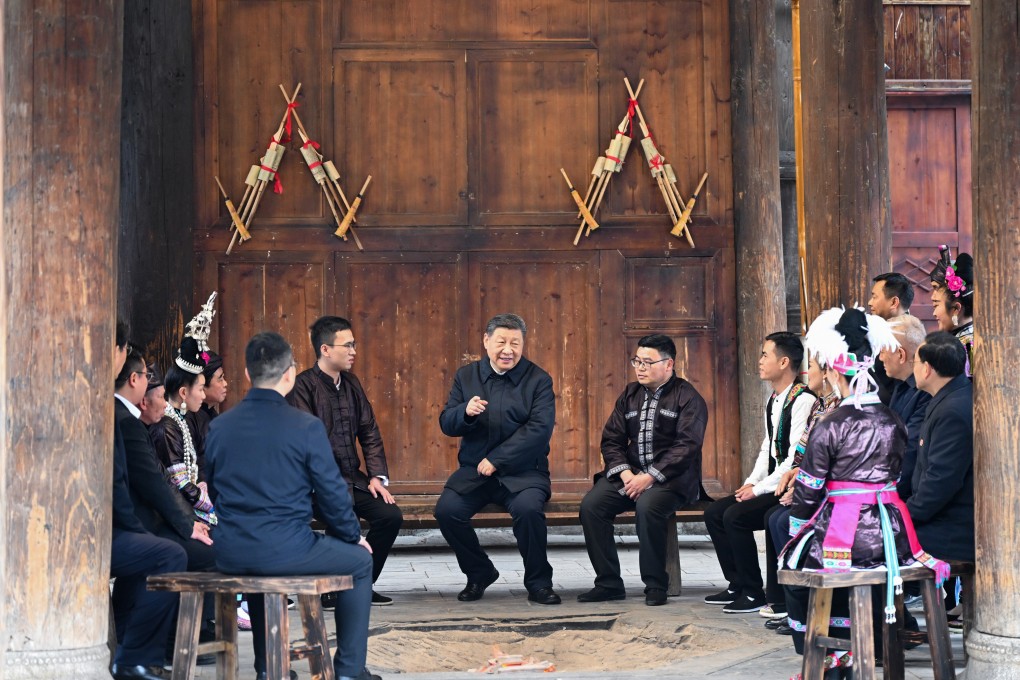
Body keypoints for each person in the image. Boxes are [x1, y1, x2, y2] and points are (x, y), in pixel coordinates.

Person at [781, 307, 949, 678]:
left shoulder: (831, 424)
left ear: (831, 370)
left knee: (796, 561)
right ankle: (860, 650)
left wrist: (797, 530)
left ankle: (833, 658)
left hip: (847, 534)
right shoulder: (892, 419)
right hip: (893, 532)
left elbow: (808, 493)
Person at [205, 332, 380, 680]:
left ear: (247, 372)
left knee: (260, 564)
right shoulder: (305, 426)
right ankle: (348, 671)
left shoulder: (219, 426)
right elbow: (332, 493)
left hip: (230, 550)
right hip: (287, 548)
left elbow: (214, 490)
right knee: (360, 561)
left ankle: (268, 669)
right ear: (290, 373)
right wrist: (351, 535)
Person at [434, 313, 560, 605]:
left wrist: (498, 459)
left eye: (515, 343)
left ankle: (539, 583)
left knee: (529, 511)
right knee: (447, 511)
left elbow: (539, 430)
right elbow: (446, 423)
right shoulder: (466, 376)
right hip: (475, 471)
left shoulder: (538, 379)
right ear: (486, 341)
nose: (508, 350)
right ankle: (479, 572)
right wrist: (464, 412)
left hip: (525, 472)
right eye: (501, 341)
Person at [577, 334, 708, 606]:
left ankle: (656, 585)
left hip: (672, 481)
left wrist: (649, 478)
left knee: (648, 507)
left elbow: (687, 446)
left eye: (648, 362)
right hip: (630, 475)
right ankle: (609, 583)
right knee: (592, 506)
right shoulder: (629, 394)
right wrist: (627, 475)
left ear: (668, 364)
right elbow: (611, 440)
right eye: (637, 361)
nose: (640, 367)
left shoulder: (687, 397)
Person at [289, 316, 402, 606]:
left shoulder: (351, 383)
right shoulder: (303, 387)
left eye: (354, 344)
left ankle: (361, 583)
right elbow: (306, 445)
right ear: (325, 349)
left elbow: (369, 430)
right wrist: (325, 485)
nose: (353, 350)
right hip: (316, 485)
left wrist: (377, 476)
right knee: (344, 519)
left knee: (390, 516)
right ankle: (330, 588)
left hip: (354, 479)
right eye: (347, 345)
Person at [704, 332, 816, 614]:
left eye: (765, 354)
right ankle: (738, 583)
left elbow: (794, 457)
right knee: (715, 512)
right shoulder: (775, 399)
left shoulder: (802, 400)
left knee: (736, 517)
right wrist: (751, 481)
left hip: (787, 486)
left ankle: (754, 593)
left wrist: (761, 489)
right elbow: (769, 446)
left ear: (784, 362)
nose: (760, 360)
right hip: (770, 482)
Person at [115, 354, 218, 661]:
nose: (161, 401)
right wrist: (188, 525)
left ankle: (177, 632)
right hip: (135, 525)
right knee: (199, 551)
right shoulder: (129, 423)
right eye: (148, 379)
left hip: (145, 521)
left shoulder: (136, 422)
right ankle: (168, 638)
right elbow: (157, 487)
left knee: (204, 543)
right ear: (135, 382)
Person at [109, 320, 189, 680]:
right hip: (108, 530)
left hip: (123, 524)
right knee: (169, 552)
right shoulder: (121, 418)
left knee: (160, 550)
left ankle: (134, 645)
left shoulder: (124, 415)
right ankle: (136, 656)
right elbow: (131, 486)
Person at [763, 351, 840, 631]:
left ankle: (806, 610)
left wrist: (801, 486)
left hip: (831, 495)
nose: (808, 372)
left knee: (782, 520)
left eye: (812, 366)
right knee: (775, 518)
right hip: (809, 483)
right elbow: (802, 453)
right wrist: (794, 476)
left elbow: (829, 462)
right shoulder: (822, 405)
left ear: (830, 372)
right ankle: (792, 607)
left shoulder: (839, 408)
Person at [907, 331, 974, 563]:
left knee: (873, 542)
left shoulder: (953, 411)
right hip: (939, 518)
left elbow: (941, 480)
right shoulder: (950, 397)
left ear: (926, 369)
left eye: (914, 362)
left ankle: (913, 598)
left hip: (950, 529)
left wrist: (905, 515)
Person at [149, 338, 216, 525]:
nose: (204, 395)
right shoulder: (166, 427)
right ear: (184, 393)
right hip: (179, 516)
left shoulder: (180, 419)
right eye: (201, 389)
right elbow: (181, 485)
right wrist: (215, 504)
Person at [878, 315, 932, 499]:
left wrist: (884, 497)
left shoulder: (925, 392)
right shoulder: (900, 386)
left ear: (901, 354)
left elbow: (909, 453)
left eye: (883, 350)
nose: (880, 357)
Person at [929, 249, 975, 376]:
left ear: (956, 309)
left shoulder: (969, 346)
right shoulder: (961, 340)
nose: (934, 313)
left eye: (937, 305)